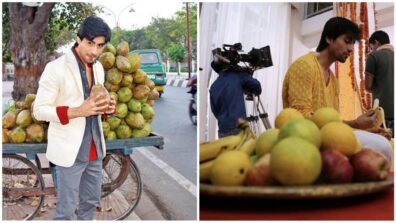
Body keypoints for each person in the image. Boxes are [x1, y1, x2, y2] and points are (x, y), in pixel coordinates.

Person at [33, 16, 115, 220]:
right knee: (66, 210)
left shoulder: (98, 68)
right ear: (78, 39)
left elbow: (94, 103)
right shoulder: (56, 68)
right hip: (69, 151)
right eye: (90, 43)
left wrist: (105, 108)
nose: (94, 51)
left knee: (90, 202)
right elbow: (39, 110)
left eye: (100, 46)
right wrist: (78, 111)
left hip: (95, 148)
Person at [282, 17, 391, 163]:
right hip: (304, 142)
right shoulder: (304, 66)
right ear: (329, 38)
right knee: (381, 146)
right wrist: (354, 124)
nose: (351, 49)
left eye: (353, 43)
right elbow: (300, 118)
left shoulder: (333, 79)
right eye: (347, 41)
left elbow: (333, 125)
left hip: (326, 140)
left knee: (385, 142)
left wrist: (364, 130)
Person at [210, 68, 261, 137]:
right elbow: (256, 85)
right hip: (239, 126)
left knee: (227, 148)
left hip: (223, 129)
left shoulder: (213, 86)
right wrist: (247, 76)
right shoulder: (237, 75)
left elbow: (215, 110)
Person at [365, 30, 394, 136]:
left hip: (383, 115)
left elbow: (368, 86)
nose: (371, 49)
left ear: (376, 42)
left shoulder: (373, 56)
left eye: (371, 46)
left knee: (385, 149)